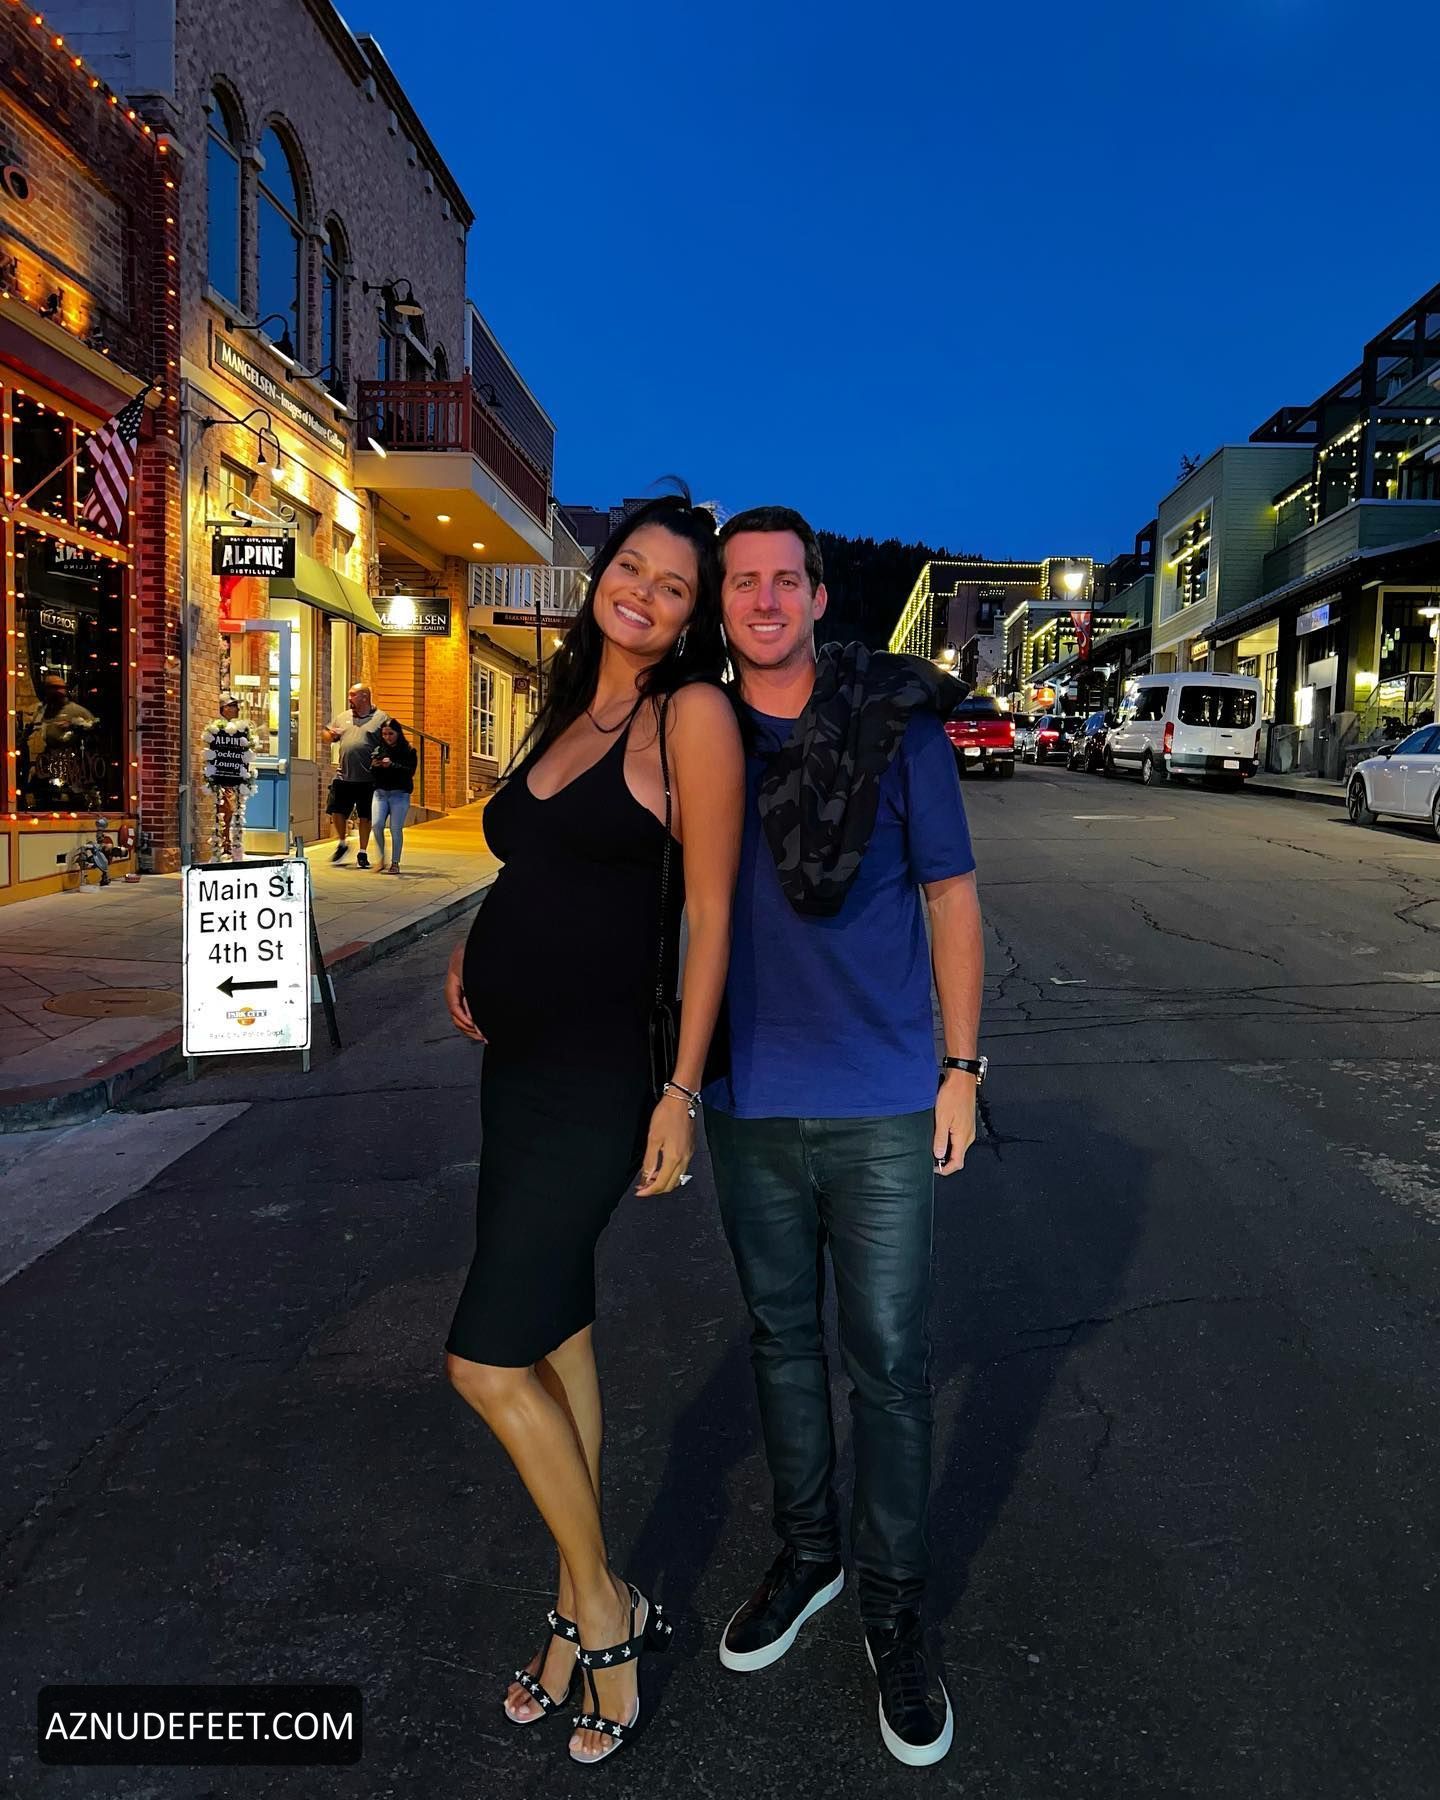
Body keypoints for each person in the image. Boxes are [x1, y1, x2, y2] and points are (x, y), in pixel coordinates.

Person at [442, 492, 744, 1767]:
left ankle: (605, 1609)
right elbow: (538, 863)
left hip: (599, 1075)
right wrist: (475, 944)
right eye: (633, 568)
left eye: (676, 586)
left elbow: (712, 914)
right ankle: (574, 1607)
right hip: (515, 1067)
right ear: (601, 572)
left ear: (692, 616)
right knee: (556, 1330)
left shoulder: (692, 716)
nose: (646, 594)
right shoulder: (572, 702)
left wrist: (680, 1091)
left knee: (484, 1362)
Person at [704, 506, 984, 1768]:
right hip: (748, 1100)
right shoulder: (699, 731)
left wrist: (961, 1070)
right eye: (742, 582)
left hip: (880, 1100)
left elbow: (952, 898)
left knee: (889, 1366)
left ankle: (895, 1604)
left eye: (785, 580)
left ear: (820, 598)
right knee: (780, 1344)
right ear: (722, 605)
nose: (764, 599)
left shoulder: (895, 730)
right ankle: (810, 1555)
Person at [320, 684, 388, 866]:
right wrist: (329, 734)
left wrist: (383, 759)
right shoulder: (343, 717)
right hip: (344, 776)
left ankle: (362, 853)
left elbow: (391, 741)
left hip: (368, 778)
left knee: (365, 816)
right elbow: (326, 735)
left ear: (364, 697)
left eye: (353, 695)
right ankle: (342, 843)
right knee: (336, 811)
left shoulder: (381, 718)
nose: (349, 698)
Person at [369, 719, 417, 873]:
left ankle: (395, 862)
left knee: (395, 828)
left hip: (399, 794)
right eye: (384, 734)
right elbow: (371, 772)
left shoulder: (408, 750)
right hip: (380, 793)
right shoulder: (378, 749)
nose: (387, 737)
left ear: (398, 733)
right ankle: (381, 858)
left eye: (391, 734)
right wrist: (374, 766)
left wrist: (392, 765)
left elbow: (410, 771)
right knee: (377, 825)